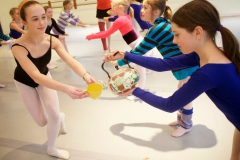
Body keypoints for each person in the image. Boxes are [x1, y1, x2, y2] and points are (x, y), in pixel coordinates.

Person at [104, 0, 240, 159]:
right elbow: (162, 65)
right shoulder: (204, 55)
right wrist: (125, 55)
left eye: (177, 35)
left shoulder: (207, 72)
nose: (174, 41)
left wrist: (134, 90)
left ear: (197, 32)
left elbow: (169, 105)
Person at [12, 1, 96, 159]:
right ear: (24, 22)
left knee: (54, 116)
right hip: (25, 82)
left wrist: (85, 75)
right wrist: (66, 88)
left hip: (45, 76)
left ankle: (51, 148)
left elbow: (70, 60)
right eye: (35, 19)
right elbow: (35, 76)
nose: (42, 22)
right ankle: (61, 117)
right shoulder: (18, 47)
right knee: (42, 121)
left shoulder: (52, 40)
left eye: (43, 17)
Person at [110, 0, 198, 137]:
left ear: (156, 11)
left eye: (145, 7)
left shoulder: (157, 29)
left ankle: (186, 125)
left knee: (185, 97)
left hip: (187, 66)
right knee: (182, 91)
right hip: (182, 66)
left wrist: (118, 63)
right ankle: (181, 120)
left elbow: (139, 51)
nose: (141, 10)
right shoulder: (161, 24)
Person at [86, 0, 153, 101]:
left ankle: (138, 93)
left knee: (140, 70)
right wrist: (110, 16)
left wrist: (92, 36)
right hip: (140, 43)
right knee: (139, 67)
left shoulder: (121, 20)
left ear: (121, 7)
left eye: (114, 6)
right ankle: (146, 71)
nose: (112, 8)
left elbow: (106, 33)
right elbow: (115, 17)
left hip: (138, 46)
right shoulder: (125, 16)